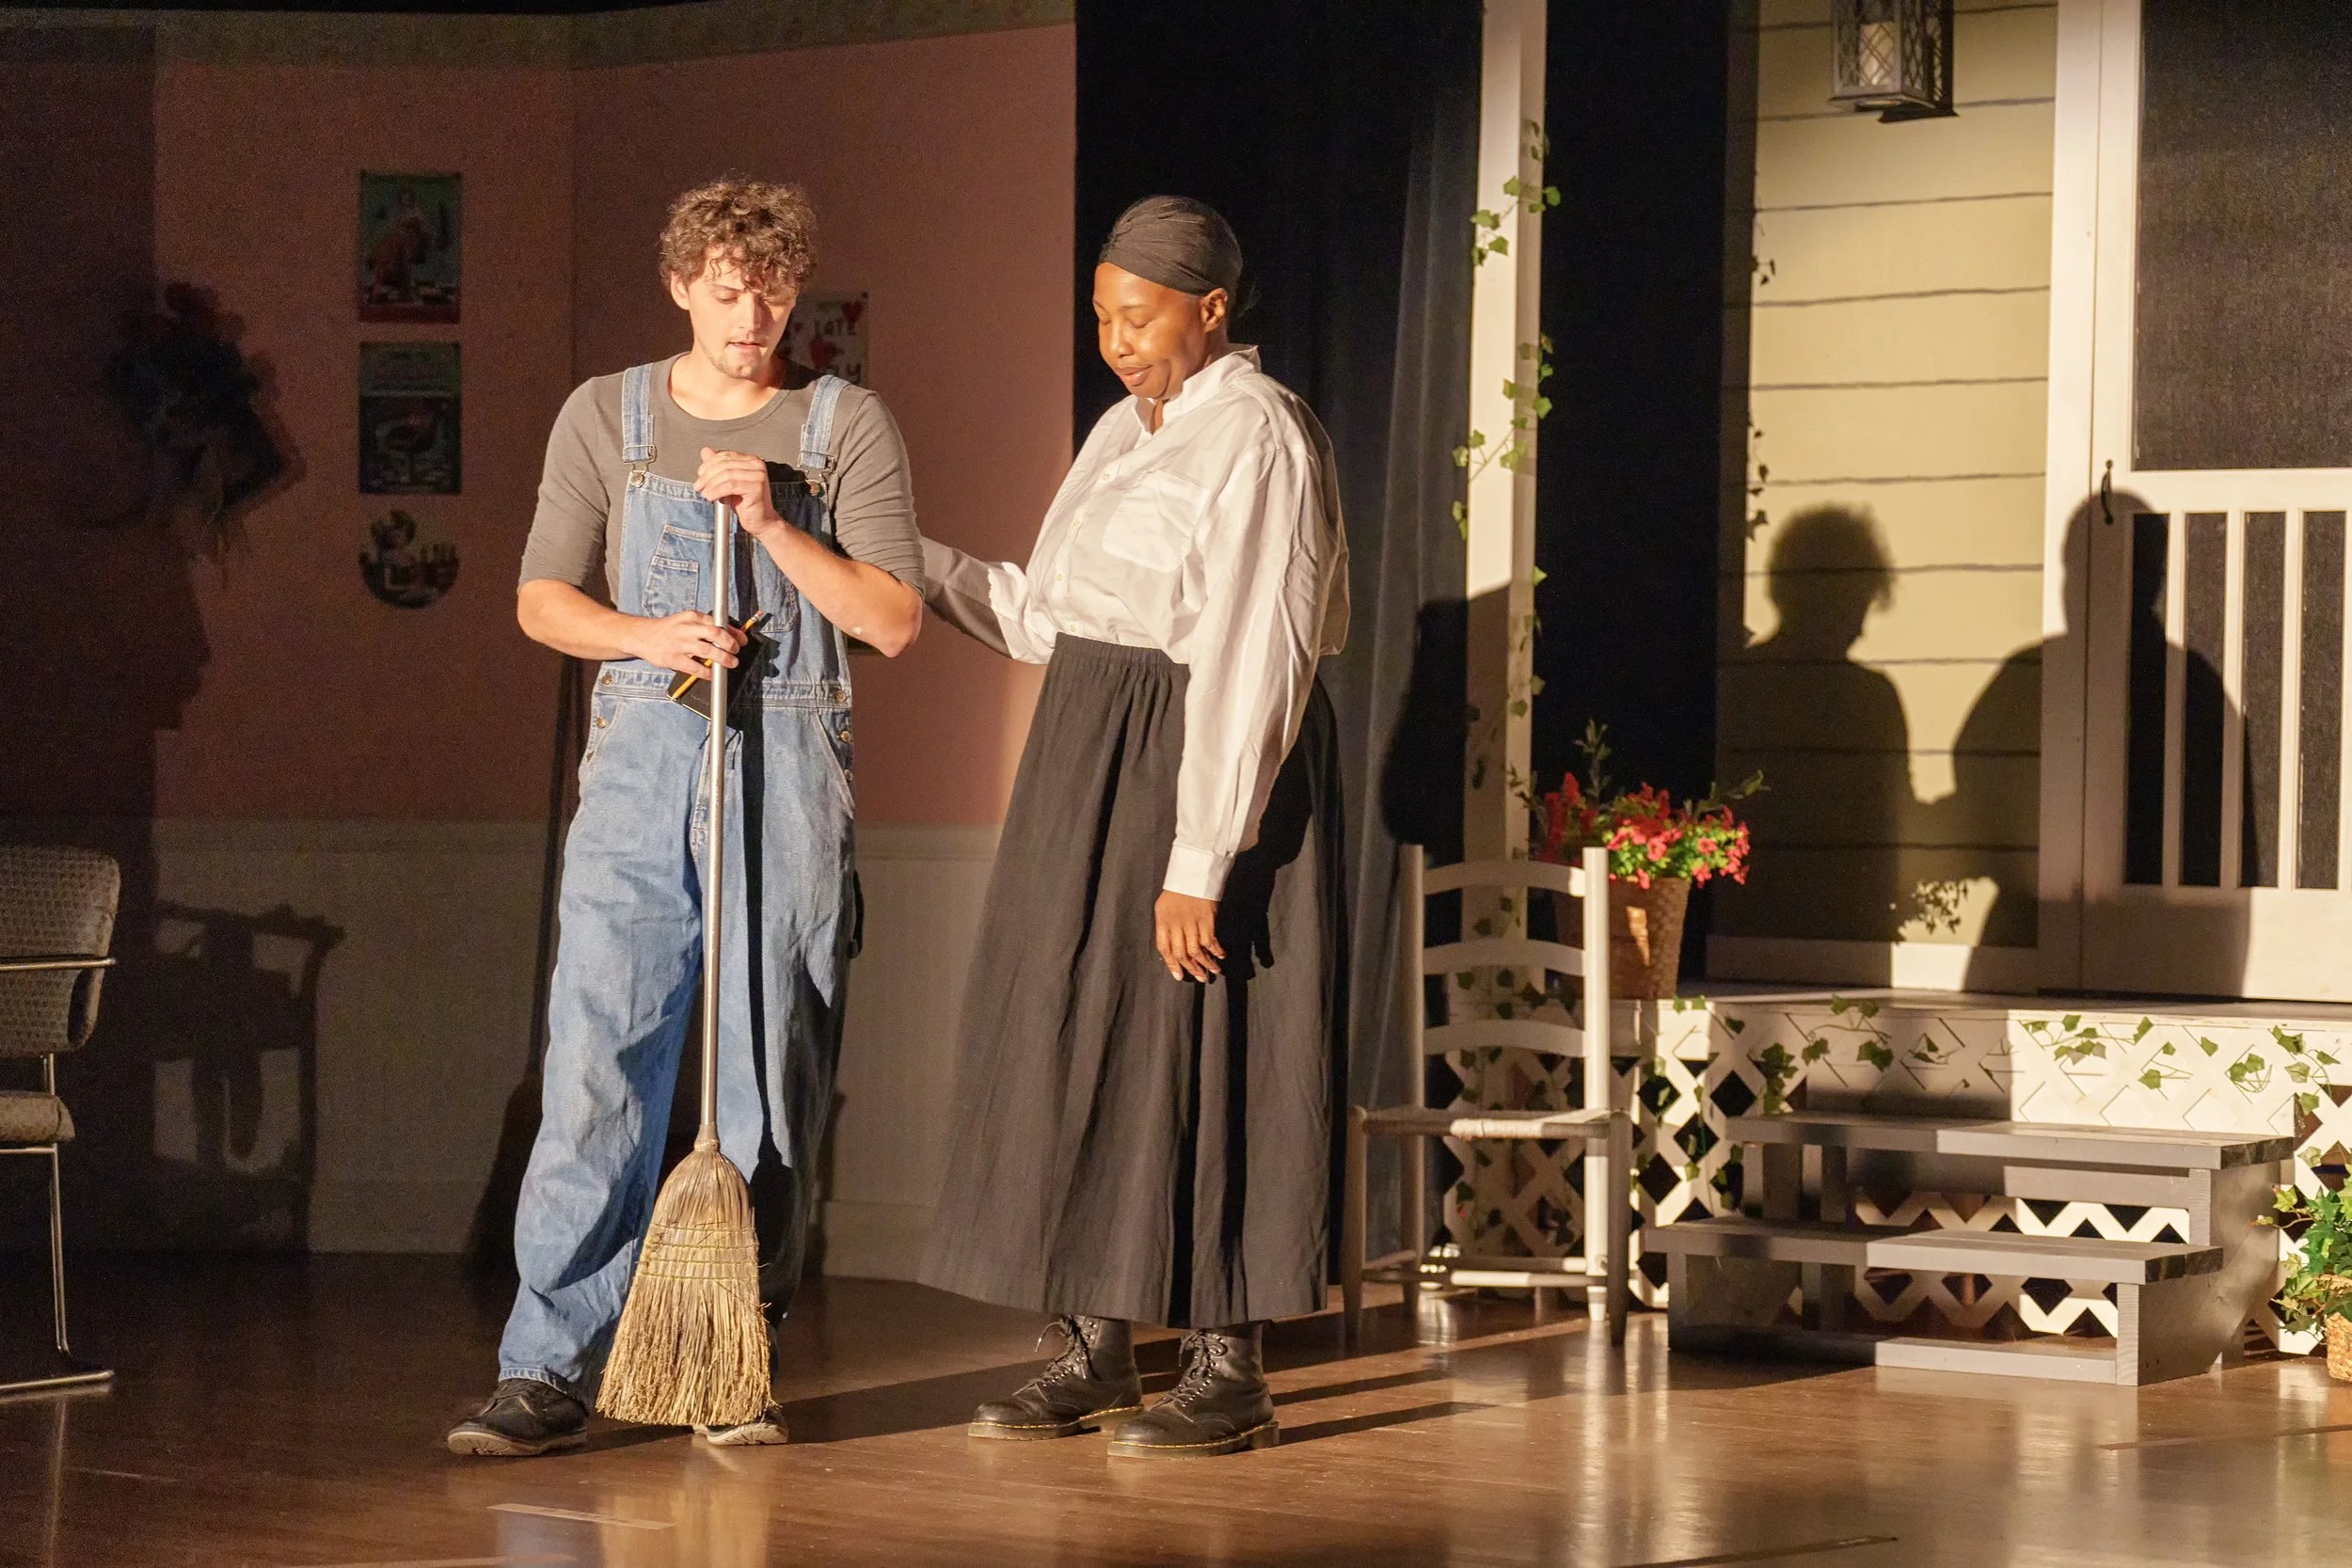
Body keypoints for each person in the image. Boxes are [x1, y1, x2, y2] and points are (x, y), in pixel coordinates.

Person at [447, 179, 924, 1457]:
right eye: (725, 288)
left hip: (789, 760)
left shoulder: (842, 425)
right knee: (601, 1055)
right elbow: (542, 600)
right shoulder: (608, 415)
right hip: (647, 756)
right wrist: (648, 632)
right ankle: (548, 1361)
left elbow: (888, 618)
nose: (750, 312)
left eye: (770, 289)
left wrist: (772, 518)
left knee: (769, 1064)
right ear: (679, 284)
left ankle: (732, 1353)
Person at [918, 196, 1349, 1460]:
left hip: (1197, 759)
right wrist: (907, 563)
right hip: (1086, 757)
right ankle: (1093, 1344)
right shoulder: (1118, 433)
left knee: (1211, 1035)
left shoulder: (1260, 437)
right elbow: (1041, 615)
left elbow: (1255, 656)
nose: (1113, 337)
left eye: (1138, 314)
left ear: (1211, 309)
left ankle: (1227, 1362)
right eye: (1101, 313)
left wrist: (1200, 852)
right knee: (1084, 1033)